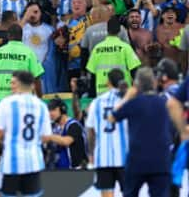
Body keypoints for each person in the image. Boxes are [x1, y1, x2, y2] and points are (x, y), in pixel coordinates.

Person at [110, 67, 187, 197]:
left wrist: (127, 97)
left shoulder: (133, 104)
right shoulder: (165, 103)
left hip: (137, 159)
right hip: (161, 160)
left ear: (136, 85)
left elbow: (112, 118)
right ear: (154, 83)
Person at [0, 70, 53, 197]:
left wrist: (0, 142)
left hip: (12, 161)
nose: (11, 85)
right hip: (33, 161)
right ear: (32, 85)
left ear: (18, 84)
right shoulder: (41, 106)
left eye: (13, 82)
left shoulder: (7, 103)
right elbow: (46, 137)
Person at [85, 69, 129, 197]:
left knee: (106, 194)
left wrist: (91, 154)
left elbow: (90, 130)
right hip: (124, 155)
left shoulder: (97, 102)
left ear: (108, 82)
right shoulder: (126, 101)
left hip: (103, 156)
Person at [0, 24, 45, 99]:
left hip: (2, 99)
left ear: (8, 36)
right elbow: (37, 78)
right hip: (23, 98)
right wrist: (39, 97)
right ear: (21, 36)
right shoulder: (29, 53)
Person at [85, 17, 141, 95]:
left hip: (102, 91)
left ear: (107, 30)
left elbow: (92, 73)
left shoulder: (97, 48)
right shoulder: (125, 47)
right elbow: (134, 70)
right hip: (122, 91)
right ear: (119, 30)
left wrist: (92, 93)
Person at [46, 97, 88, 169]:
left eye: (54, 110)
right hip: (58, 170)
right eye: (49, 111)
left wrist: (50, 137)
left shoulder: (73, 125)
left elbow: (66, 141)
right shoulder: (52, 127)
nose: (51, 113)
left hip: (75, 170)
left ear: (62, 110)